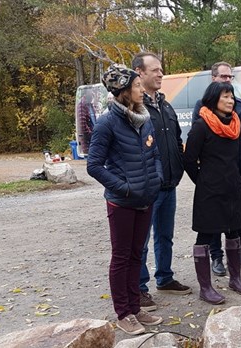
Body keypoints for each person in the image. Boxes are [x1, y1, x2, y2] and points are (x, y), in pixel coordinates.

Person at [87, 64, 164, 335]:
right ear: (123, 92)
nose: (141, 90)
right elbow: (94, 165)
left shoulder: (144, 118)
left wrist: (155, 179)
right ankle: (124, 313)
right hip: (122, 202)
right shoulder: (107, 123)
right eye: (136, 86)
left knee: (136, 255)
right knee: (121, 257)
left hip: (146, 198)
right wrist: (124, 188)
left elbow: (154, 154)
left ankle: (135, 307)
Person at [131, 52, 191, 313]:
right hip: (147, 188)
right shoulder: (134, 108)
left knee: (165, 236)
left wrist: (178, 167)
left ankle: (164, 278)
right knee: (141, 241)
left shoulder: (166, 106)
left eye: (161, 70)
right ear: (139, 72)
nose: (160, 74)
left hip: (169, 184)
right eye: (154, 70)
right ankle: (140, 288)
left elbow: (177, 140)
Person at [184, 82, 241, 304]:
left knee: (234, 233)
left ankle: (235, 279)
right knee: (205, 235)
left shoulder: (235, 124)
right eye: (225, 96)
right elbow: (188, 160)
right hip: (210, 192)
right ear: (214, 99)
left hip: (233, 189)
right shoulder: (201, 126)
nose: (231, 100)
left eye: (232, 96)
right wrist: (204, 181)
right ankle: (205, 288)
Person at [192, 62, 241, 277]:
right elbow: (190, 157)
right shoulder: (202, 115)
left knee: (235, 223)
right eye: (223, 76)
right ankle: (216, 258)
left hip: (236, 177)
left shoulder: (240, 108)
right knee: (211, 225)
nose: (228, 80)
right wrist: (202, 179)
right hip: (211, 185)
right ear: (214, 79)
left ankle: (238, 263)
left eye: (231, 77)